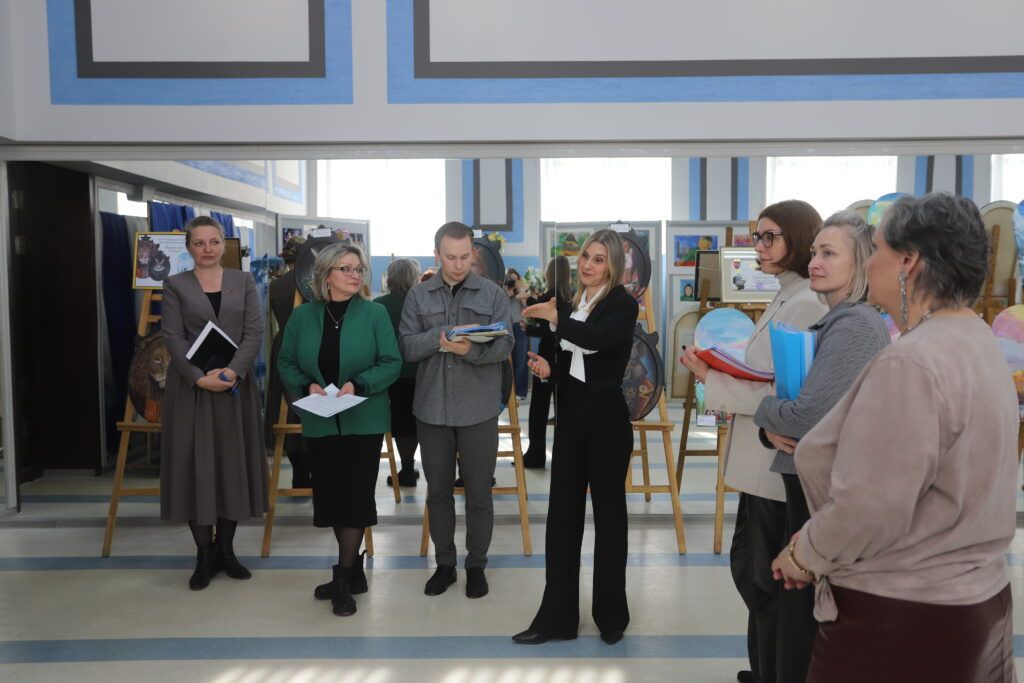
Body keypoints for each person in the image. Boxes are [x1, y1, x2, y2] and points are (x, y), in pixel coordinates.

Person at [772, 193, 1018, 682]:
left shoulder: (912, 361)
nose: (871, 261)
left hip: (901, 613)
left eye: (879, 248)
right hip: (976, 598)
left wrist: (805, 554)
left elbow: (872, 506)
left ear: (909, 262)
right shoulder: (977, 339)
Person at [681, 200, 827, 683]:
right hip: (757, 459)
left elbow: (782, 391)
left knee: (765, 581)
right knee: (754, 575)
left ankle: (773, 672)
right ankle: (762, 668)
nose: (759, 247)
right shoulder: (787, 295)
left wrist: (711, 377)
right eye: (757, 237)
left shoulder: (805, 302)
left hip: (772, 465)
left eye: (770, 237)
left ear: (798, 239)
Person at [750, 211, 890, 683]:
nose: (814, 262)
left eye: (829, 254)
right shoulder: (838, 321)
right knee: (797, 609)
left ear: (862, 264)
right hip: (808, 479)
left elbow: (805, 416)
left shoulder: (853, 327)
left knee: (806, 616)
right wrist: (774, 422)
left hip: (822, 488)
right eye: (814, 252)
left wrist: (765, 409)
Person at [513, 229, 638, 646]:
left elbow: (598, 341)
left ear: (613, 266)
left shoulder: (622, 304)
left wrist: (556, 319)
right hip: (570, 421)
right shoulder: (569, 305)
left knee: (610, 520)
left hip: (607, 423)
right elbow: (567, 359)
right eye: (586, 256)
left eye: (599, 259)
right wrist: (549, 369)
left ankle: (611, 616)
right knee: (562, 520)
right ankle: (557, 619)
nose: (588, 265)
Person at [277, 244, 401, 617]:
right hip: (320, 418)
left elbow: (391, 362)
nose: (355, 275)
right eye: (345, 268)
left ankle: (343, 579)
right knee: (332, 498)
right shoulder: (303, 317)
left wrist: (358, 384)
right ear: (326, 275)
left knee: (356, 496)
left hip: (364, 419)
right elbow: (286, 361)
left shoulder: (375, 313)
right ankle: (353, 569)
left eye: (359, 269)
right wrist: (306, 386)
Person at [398, 221, 513, 600]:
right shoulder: (418, 296)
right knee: (438, 493)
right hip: (432, 410)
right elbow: (406, 347)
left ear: (472, 253)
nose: (459, 264)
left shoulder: (492, 293)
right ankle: (445, 564)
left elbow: (506, 345)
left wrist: (472, 350)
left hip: (479, 410)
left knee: (479, 493)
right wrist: (440, 338)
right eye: (451, 257)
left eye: (465, 257)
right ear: (437, 255)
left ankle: (476, 565)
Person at [160, 215, 268, 591]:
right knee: (195, 466)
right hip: (191, 391)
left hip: (234, 389)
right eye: (199, 243)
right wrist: (198, 377)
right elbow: (172, 337)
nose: (207, 249)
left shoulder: (244, 281)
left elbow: (254, 332)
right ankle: (203, 555)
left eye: (214, 242)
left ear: (224, 244)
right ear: (189, 247)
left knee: (231, 465)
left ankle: (227, 550)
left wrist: (233, 372)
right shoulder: (174, 285)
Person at [266, 236, 310, 488]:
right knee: (313, 406)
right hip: (309, 345)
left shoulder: (276, 285)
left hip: (283, 344)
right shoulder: (313, 282)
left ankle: (299, 473)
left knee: (288, 411)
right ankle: (312, 471)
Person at [375, 258, 423, 487]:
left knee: (400, 421)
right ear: (414, 278)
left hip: (389, 373)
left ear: (390, 278)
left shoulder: (378, 305)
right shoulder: (421, 304)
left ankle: (405, 468)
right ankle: (408, 468)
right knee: (416, 421)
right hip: (419, 370)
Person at [522, 255, 571, 468]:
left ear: (550, 273)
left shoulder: (550, 296)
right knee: (563, 411)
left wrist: (528, 326)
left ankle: (535, 455)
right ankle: (563, 457)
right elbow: (558, 329)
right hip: (564, 360)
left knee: (538, 410)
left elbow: (545, 326)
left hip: (545, 358)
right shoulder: (571, 296)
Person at [505, 268, 531, 400]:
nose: (514, 283)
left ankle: (520, 392)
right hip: (507, 327)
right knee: (509, 361)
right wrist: (511, 292)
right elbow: (502, 303)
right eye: (511, 280)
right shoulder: (504, 292)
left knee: (521, 360)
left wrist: (522, 298)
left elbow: (527, 310)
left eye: (516, 280)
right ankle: (510, 391)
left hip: (520, 327)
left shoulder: (522, 292)